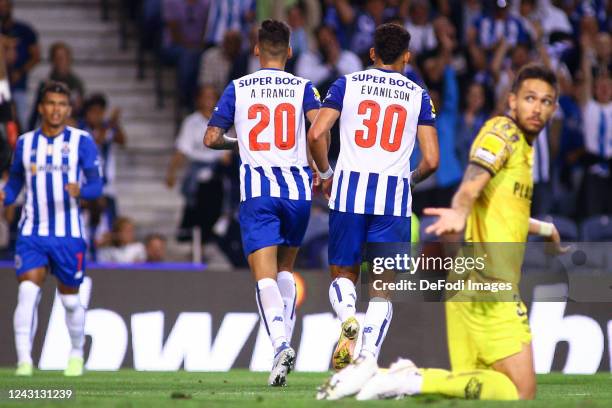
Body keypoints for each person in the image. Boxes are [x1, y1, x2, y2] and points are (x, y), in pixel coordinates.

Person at [354, 64, 568, 401]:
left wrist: (545, 228)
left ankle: (406, 379)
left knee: (475, 388)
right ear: (512, 101)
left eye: (546, 101)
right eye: (529, 98)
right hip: (491, 288)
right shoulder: (504, 133)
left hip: (466, 287)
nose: (537, 108)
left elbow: (502, 211)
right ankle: (411, 380)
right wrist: (460, 208)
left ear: (554, 108)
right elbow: (472, 182)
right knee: (521, 392)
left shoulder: (524, 149)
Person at [310, 23, 439, 399]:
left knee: (344, 274)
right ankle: (367, 357)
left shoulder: (345, 84)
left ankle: (348, 319)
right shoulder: (418, 94)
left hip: (348, 194)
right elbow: (431, 159)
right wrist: (407, 178)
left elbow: (316, 134)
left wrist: (325, 173)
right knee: (382, 291)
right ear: (407, 57)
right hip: (392, 200)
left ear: (371, 53)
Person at [204, 20, 322, 386]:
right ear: (289, 51)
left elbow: (210, 138)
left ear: (257, 50)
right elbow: (318, 132)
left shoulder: (239, 87)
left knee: (264, 276)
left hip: (259, 192)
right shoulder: (304, 88)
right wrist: (322, 168)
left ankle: (280, 344)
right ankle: (281, 354)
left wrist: (240, 143)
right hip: (298, 192)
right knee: (286, 270)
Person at [1, 81, 103, 377]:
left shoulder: (82, 141)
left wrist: (81, 188)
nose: (56, 110)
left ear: (68, 109)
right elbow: (17, 182)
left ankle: (76, 353)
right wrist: (5, 195)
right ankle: (24, 362)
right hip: (32, 232)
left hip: (69, 236)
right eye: (51, 104)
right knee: (27, 294)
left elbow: (97, 185)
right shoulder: (25, 142)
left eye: (62, 104)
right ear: (42, 107)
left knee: (71, 302)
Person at [166, 84, 230, 244]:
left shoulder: (224, 121)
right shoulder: (191, 122)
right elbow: (182, 149)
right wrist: (171, 172)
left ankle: (224, 218)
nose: (208, 100)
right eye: (205, 96)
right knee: (195, 200)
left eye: (211, 97)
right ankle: (190, 227)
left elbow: (227, 153)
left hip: (217, 171)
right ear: (198, 100)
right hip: (197, 170)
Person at [0, 0, 40, 130]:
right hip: (2, 87)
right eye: (7, 48)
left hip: (18, 87)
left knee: (20, 125)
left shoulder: (24, 30)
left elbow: (36, 56)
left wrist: (20, 71)